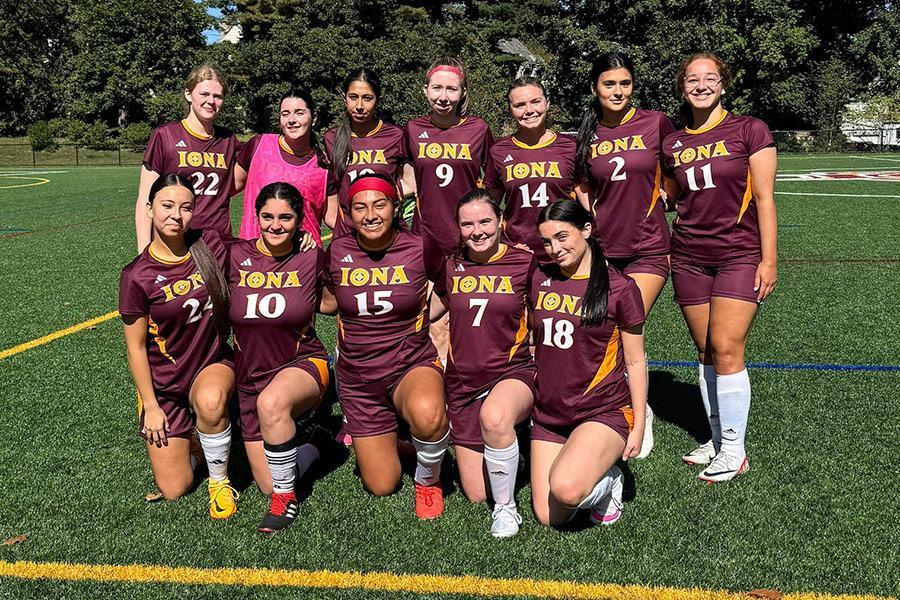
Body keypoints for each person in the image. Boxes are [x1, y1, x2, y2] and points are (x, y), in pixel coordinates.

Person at [662, 52, 778, 482]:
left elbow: (765, 198)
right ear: (682, 86)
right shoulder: (672, 143)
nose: (701, 84)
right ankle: (715, 439)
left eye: (710, 78)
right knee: (706, 350)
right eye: (693, 79)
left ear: (723, 84)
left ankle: (734, 449)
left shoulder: (750, 129)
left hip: (738, 253)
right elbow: (671, 196)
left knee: (728, 347)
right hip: (689, 256)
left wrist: (768, 260)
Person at [324, 173, 450, 520]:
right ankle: (401, 442)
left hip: (409, 364)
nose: (370, 214)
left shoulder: (419, 245)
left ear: (396, 207)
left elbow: (449, 285)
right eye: (360, 207)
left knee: (428, 413)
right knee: (382, 484)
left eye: (379, 205)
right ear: (348, 214)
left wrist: (425, 318)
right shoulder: (336, 250)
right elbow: (323, 298)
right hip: (358, 378)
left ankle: (428, 479)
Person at [574, 52, 676, 459]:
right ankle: (606, 406)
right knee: (598, 330)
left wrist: (669, 193)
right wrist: (593, 216)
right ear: (595, 88)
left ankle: (637, 411)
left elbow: (675, 169)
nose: (618, 91)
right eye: (609, 84)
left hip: (649, 248)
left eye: (625, 83)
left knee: (623, 328)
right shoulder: (588, 132)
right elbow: (582, 186)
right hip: (603, 252)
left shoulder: (655, 122)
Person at [119, 173, 238, 518]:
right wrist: (151, 406)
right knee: (175, 488)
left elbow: (256, 252)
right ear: (149, 208)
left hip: (213, 363)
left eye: (186, 207)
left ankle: (219, 480)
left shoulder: (210, 244)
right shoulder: (136, 275)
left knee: (210, 399)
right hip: (167, 386)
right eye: (167, 205)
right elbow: (137, 347)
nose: (176, 215)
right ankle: (204, 440)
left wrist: (302, 239)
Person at [529, 200, 647, 528]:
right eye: (547, 241)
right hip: (550, 413)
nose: (555, 248)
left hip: (601, 410)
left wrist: (637, 426)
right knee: (548, 516)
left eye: (563, 237)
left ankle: (610, 482)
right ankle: (586, 467)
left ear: (586, 230)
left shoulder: (620, 288)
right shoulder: (539, 277)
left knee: (566, 490)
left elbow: (636, 361)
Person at [227, 182, 334, 533]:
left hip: (303, 364)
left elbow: (334, 302)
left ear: (300, 220)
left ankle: (285, 502)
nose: (275, 225)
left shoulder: (310, 257)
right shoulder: (234, 255)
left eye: (286, 218)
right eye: (267, 216)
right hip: (249, 378)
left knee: (273, 403)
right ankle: (318, 443)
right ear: (255, 217)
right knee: (267, 482)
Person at [430, 190, 536, 538]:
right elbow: (429, 310)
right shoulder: (451, 265)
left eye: (485, 221)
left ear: (501, 222)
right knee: (477, 494)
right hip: (461, 383)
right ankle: (513, 446)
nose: (477, 231)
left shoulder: (525, 263)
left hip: (512, 373)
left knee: (496, 416)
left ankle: (507, 511)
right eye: (467, 224)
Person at [404, 56, 494, 364]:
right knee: (430, 323)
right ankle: (439, 397)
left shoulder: (479, 129)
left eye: (451, 89)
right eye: (437, 88)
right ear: (425, 89)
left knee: (466, 324)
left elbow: (495, 182)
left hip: (468, 241)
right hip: (425, 239)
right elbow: (404, 178)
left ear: (463, 92)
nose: (444, 96)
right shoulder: (413, 130)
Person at [135, 65, 240, 252]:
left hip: (219, 242)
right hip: (174, 242)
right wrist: (144, 252)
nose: (211, 101)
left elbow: (235, 183)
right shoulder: (165, 135)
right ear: (188, 94)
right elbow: (145, 197)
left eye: (217, 96)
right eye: (204, 94)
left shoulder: (228, 139)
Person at [484, 77, 577, 261]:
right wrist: (503, 243)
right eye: (519, 105)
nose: (529, 111)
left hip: (564, 250)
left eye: (536, 102)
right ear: (510, 110)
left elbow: (584, 199)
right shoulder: (498, 151)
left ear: (547, 103)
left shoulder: (570, 146)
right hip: (519, 251)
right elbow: (490, 207)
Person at [321, 68, 412, 240]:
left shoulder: (396, 135)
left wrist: (393, 195)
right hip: (349, 234)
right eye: (353, 97)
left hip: (388, 231)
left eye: (367, 98)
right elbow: (330, 190)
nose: (360, 106)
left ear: (378, 100)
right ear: (344, 98)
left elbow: (412, 182)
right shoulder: (331, 138)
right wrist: (340, 224)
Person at [233, 89, 329, 246]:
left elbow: (334, 218)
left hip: (302, 258)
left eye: (299, 113)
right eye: (285, 114)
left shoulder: (324, 164)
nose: (291, 120)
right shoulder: (259, 145)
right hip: (254, 255)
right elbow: (227, 189)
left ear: (314, 118)